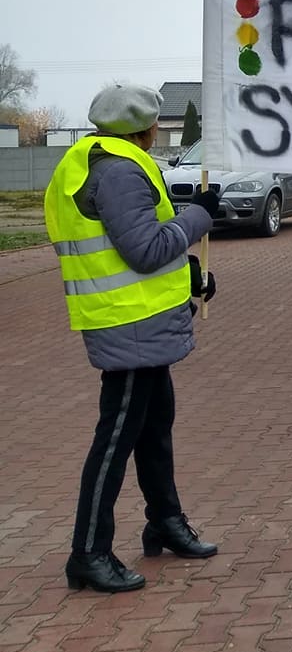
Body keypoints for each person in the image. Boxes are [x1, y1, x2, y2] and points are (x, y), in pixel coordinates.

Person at [42, 84, 221, 593]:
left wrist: (188, 275)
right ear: (146, 128)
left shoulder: (98, 161)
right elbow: (144, 249)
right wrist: (200, 213)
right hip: (129, 326)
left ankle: (165, 522)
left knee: (153, 425)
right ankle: (89, 552)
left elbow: (129, 251)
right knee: (117, 437)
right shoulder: (120, 171)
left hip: (138, 319)